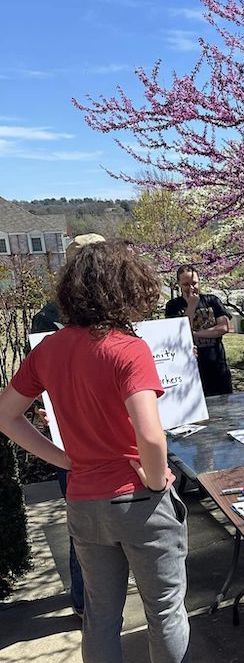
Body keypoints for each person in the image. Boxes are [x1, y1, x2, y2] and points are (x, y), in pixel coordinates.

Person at [0, 241, 227, 663]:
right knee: (164, 609)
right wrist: (153, 479)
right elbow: (151, 437)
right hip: (138, 504)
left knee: (100, 618)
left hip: (84, 503)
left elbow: (5, 414)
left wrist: (62, 460)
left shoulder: (48, 349)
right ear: (124, 288)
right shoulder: (127, 348)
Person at [28, 233, 107, 618]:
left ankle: (100, 602)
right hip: (73, 442)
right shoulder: (46, 318)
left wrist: (179, 357)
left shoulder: (119, 314)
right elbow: (36, 376)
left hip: (118, 442)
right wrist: (45, 408)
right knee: (82, 530)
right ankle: (85, 603)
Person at [165, 265, 233, 396]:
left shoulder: (212, 300)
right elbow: (177, 333)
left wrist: (194, 333)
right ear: (178, 284)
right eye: (186, 284)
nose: (191, 288)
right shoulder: (173, 306)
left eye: (194, 283)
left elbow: (224, 327)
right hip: (190, 367)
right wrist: (191, 307)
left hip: (217, 364)